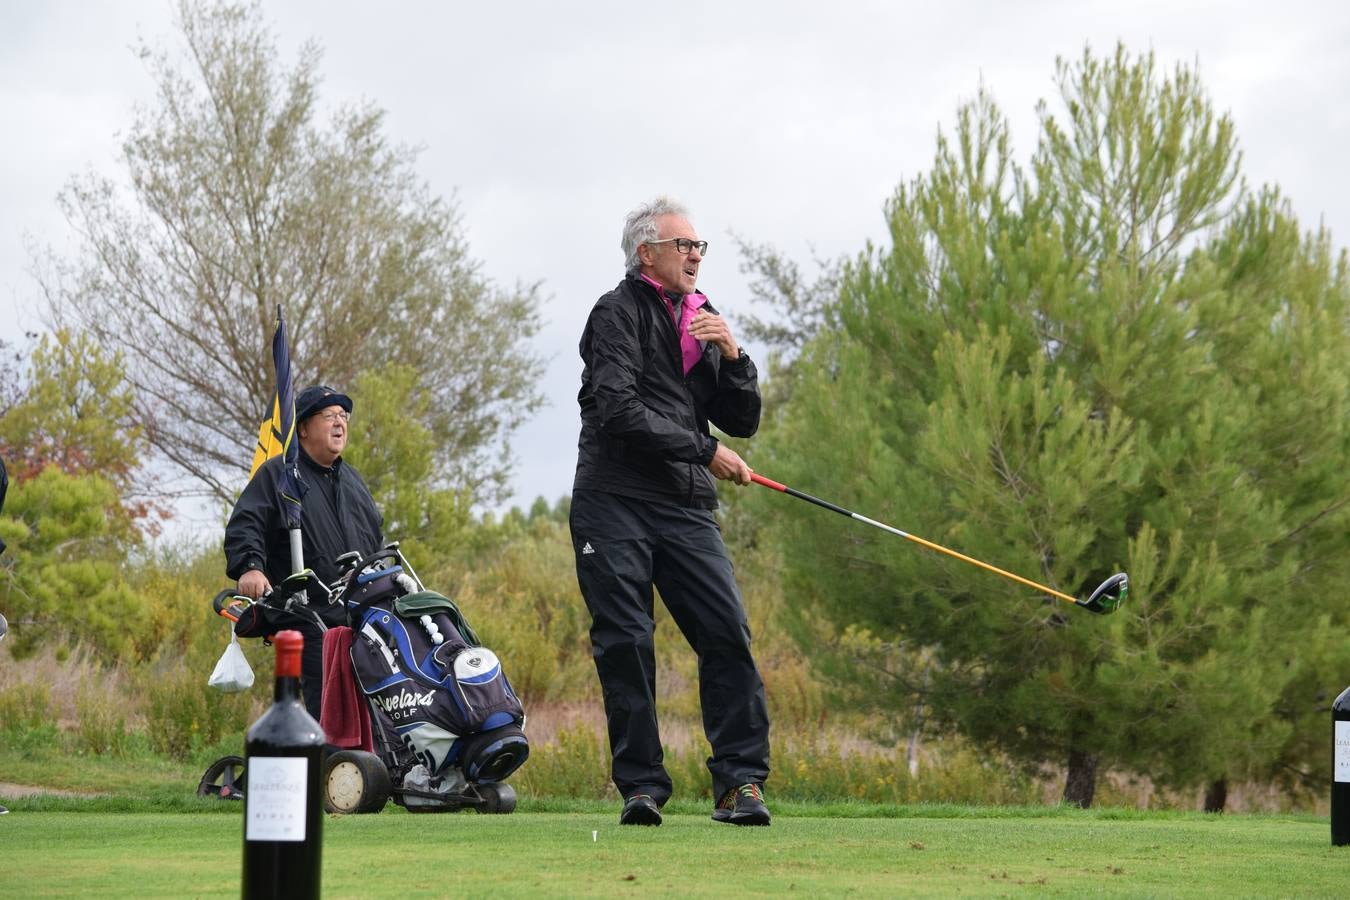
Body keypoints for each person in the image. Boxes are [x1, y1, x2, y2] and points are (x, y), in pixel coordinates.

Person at [570, 196, 771, 827]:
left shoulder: (702, 318)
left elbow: (743, 420)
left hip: (684, 506)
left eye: (699, 246)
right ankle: (641, 786)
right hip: (614, 500)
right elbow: (620, 410)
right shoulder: (614, 314)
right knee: (626, 642)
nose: (694, 255)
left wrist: (735, 358)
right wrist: (705, 450)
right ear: (646, 253)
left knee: (726, 633)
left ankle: (739, 784)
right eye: (683, 245)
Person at [224, 384, 384, 720]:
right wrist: (250, 567)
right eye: (329, 416)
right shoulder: (279, 474)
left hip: (363, 618)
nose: (340, 423)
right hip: (308, 617)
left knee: (382, 709)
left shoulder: (355, 483)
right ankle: (326, 768)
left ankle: (382, 770)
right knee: (329, 714)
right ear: (303, 428)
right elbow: (246, 523)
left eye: (343, 416)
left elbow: (375, 543)